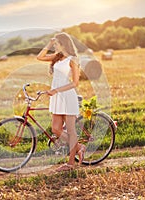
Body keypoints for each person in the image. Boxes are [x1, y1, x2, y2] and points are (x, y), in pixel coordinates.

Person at [37, 32, 86, 172]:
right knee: (56, 129)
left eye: (57, 44)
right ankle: (79, 148)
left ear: (64, 44)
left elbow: (75, 83)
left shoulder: (72, 59)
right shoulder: (57, 57)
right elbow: (39, 57)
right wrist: (49, 43)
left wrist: (57, 90)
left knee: (71, 131)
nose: (55, 46)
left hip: (66, 95)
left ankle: (71, 164)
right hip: (57, 96)